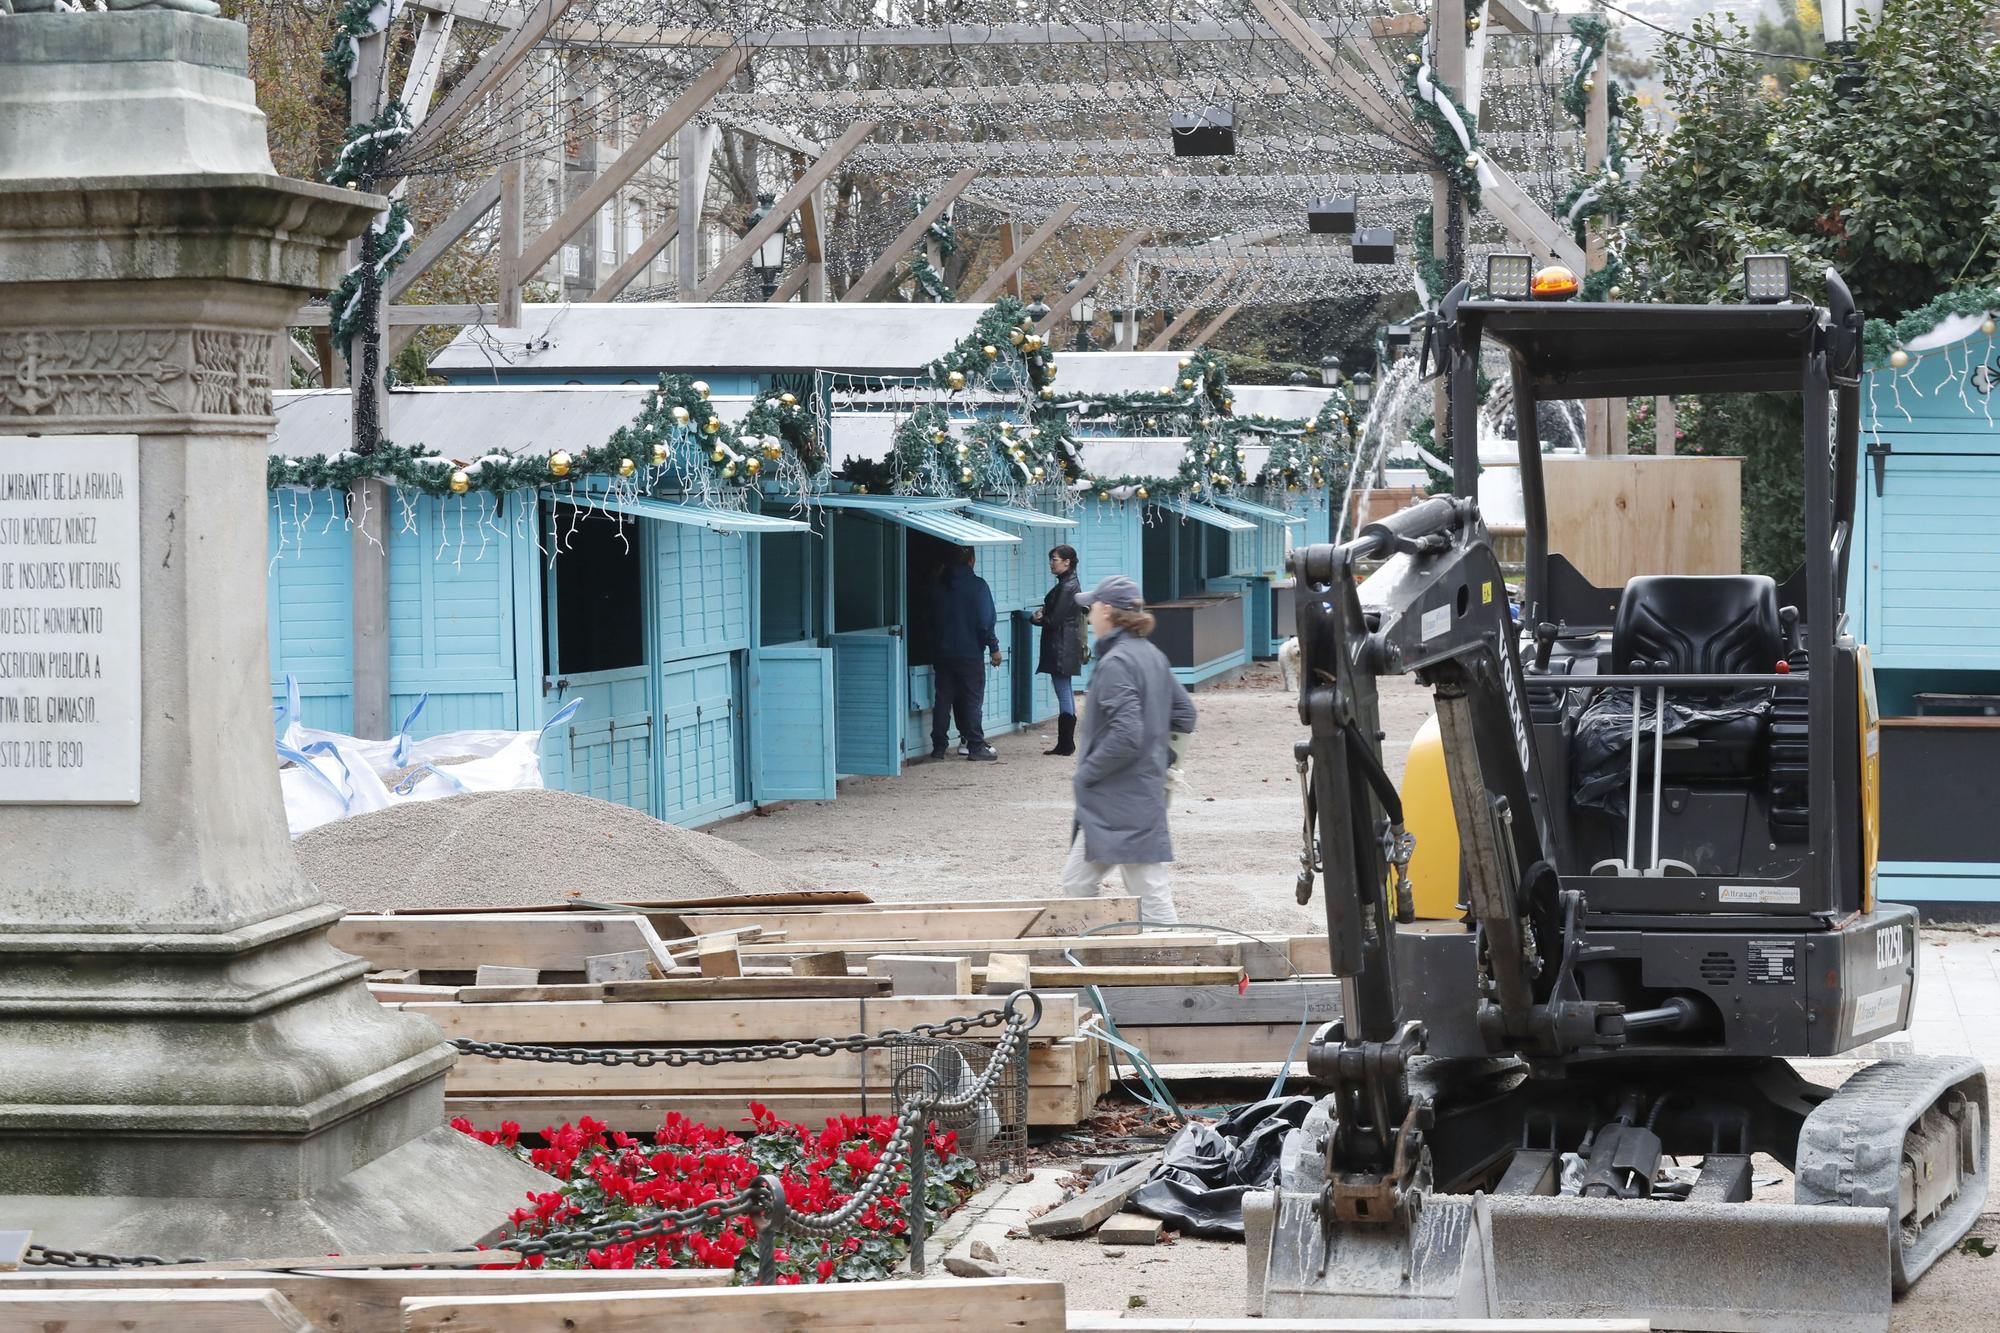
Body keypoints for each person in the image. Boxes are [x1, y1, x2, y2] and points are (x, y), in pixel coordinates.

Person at [1064, 575, 1197, 924]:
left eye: (1092, 608)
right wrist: (1163, 759)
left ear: (1106, 611)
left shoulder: (1116, 663)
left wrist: (1087, 773)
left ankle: (1172, 964)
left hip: (1117, 795)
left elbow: (1127, 733)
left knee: (1147, 892)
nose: (1089, 615)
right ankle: (1102, 957)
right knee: (1079, 882)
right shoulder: (1150, 654)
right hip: (1130, 795)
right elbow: (1185, 713)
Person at [928, 546, 1003, 761]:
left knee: (943, 699)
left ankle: (939, 748)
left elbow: (930, 621)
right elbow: (985, 620)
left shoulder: (937, 587)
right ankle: (975, 745)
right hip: (970, 653)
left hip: (943, 652)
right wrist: (994, 647)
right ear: (972, 560)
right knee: (972, 699)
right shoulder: (978, 586)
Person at [1029, 544, 1084, 756]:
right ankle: (1066, 743)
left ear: (1067, 562)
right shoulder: (1069, 583)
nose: (1052, 562)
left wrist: (1036, 618)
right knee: (1066, 691)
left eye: (1055, 559)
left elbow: (1053, 620)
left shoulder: (1066, 586)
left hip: (1061, 645)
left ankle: (1066, 743)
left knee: (1063, 691)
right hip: (1067, 644)